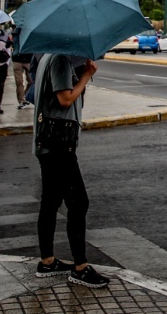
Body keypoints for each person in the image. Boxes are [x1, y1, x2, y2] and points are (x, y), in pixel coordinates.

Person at [32, 54, 110, 288]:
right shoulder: (59, 60)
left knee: (51, 200)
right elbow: (65, 99)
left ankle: (47, 261)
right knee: (78, 202)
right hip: (58, 145)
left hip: (48, 142)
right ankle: (80, 267)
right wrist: (86, 76)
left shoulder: (47, 56)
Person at [11, 26, 33, 110]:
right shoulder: (16, 33)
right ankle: (21, 100)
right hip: (17, 59)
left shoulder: (30, 32)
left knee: (31, 81)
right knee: (19, 82)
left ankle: (24, 96)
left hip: (28, 59)